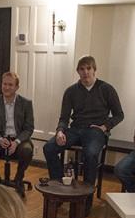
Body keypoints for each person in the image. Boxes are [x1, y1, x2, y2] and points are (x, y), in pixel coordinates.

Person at [43, 56, 124, 186]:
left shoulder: (106, 89)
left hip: (96, 130)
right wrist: (59, 131)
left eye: (88, 68)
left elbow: (119, 115)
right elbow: (64, 118)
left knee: (90, 154)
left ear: (94, 70)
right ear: (78, 71)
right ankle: (58, 185)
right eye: (82, 69)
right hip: (75, 129)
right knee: (49, 148)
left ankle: (86, 195)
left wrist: (105, 126)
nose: (85, 72)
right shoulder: (70, 91)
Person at [0, 71, 35, 196]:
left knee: (27, 151)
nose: (7, 87)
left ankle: (18, 179)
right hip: (0, 138)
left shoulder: (26, 104)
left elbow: (29, 128)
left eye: (10, 85)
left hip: (18, 139)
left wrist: (17, 142)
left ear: (16, 87)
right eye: (4, 84)